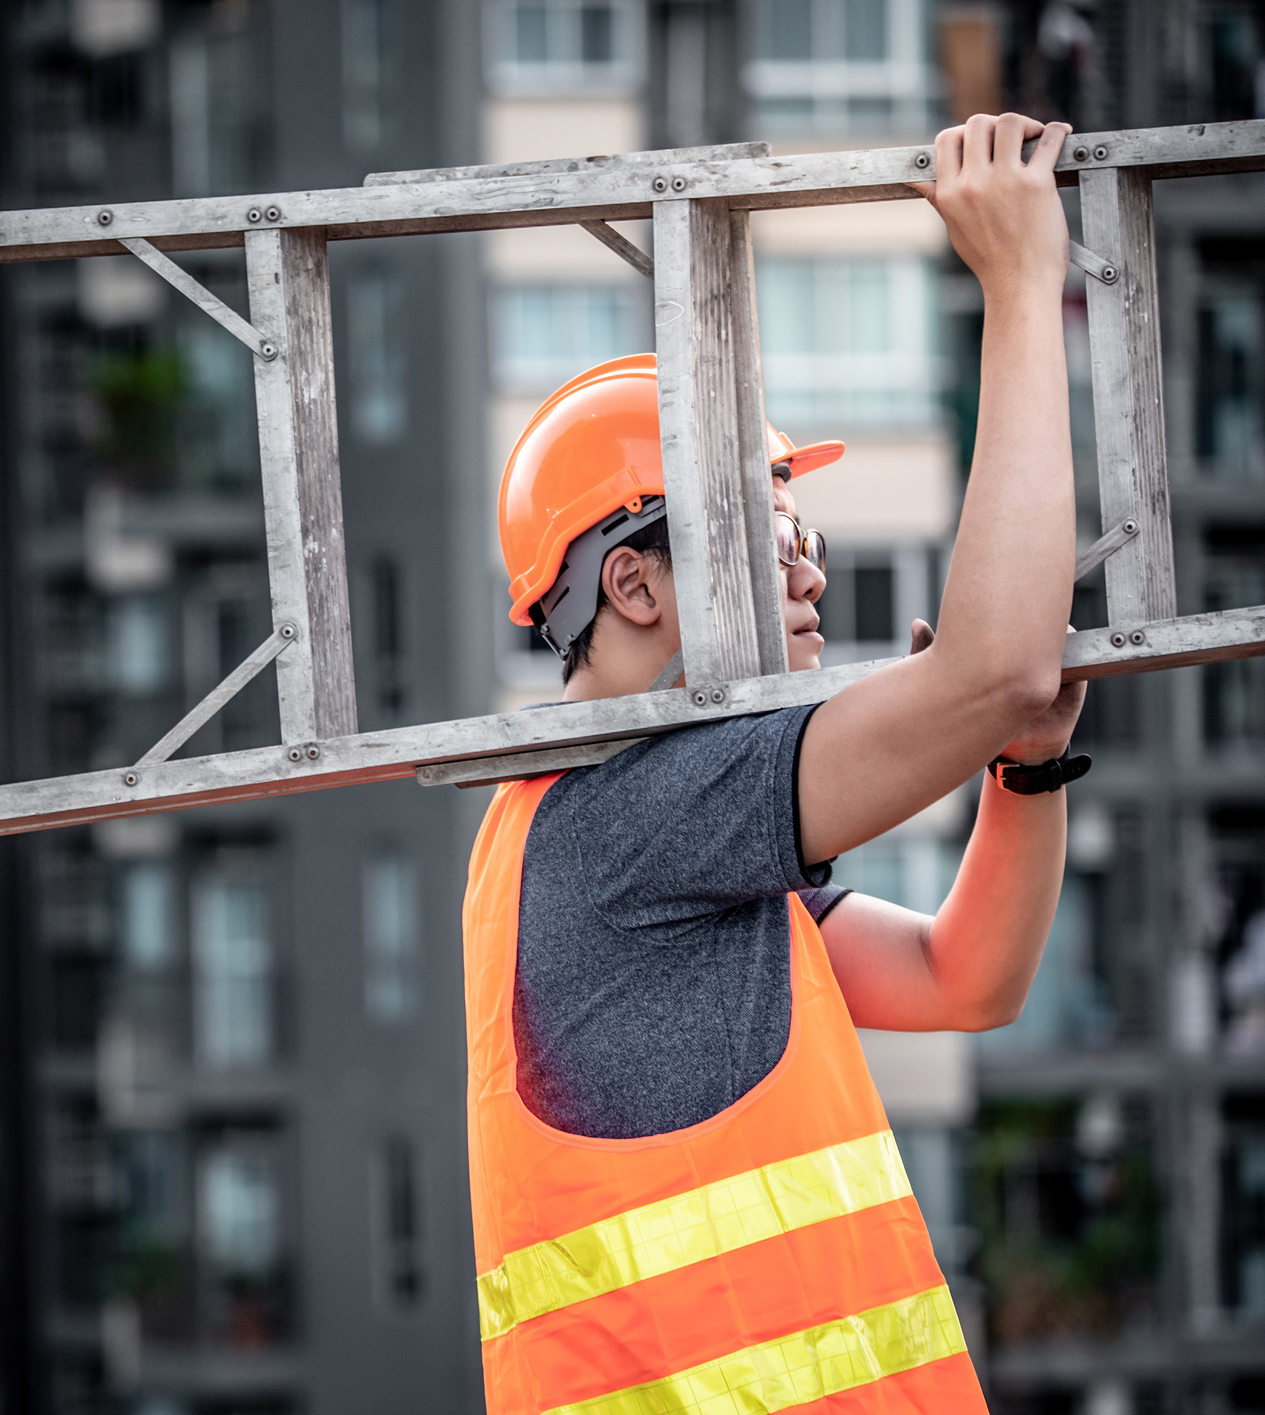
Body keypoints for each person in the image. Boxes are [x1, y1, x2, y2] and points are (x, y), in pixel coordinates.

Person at [465, 113, 1085, 1413]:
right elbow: (1001, 662)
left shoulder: (621, 837)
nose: (811, 563)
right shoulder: (622, 819)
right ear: (633, 582)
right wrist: (1027, 288)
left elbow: (964, 978)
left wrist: (1020, 775)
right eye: (768, 525)